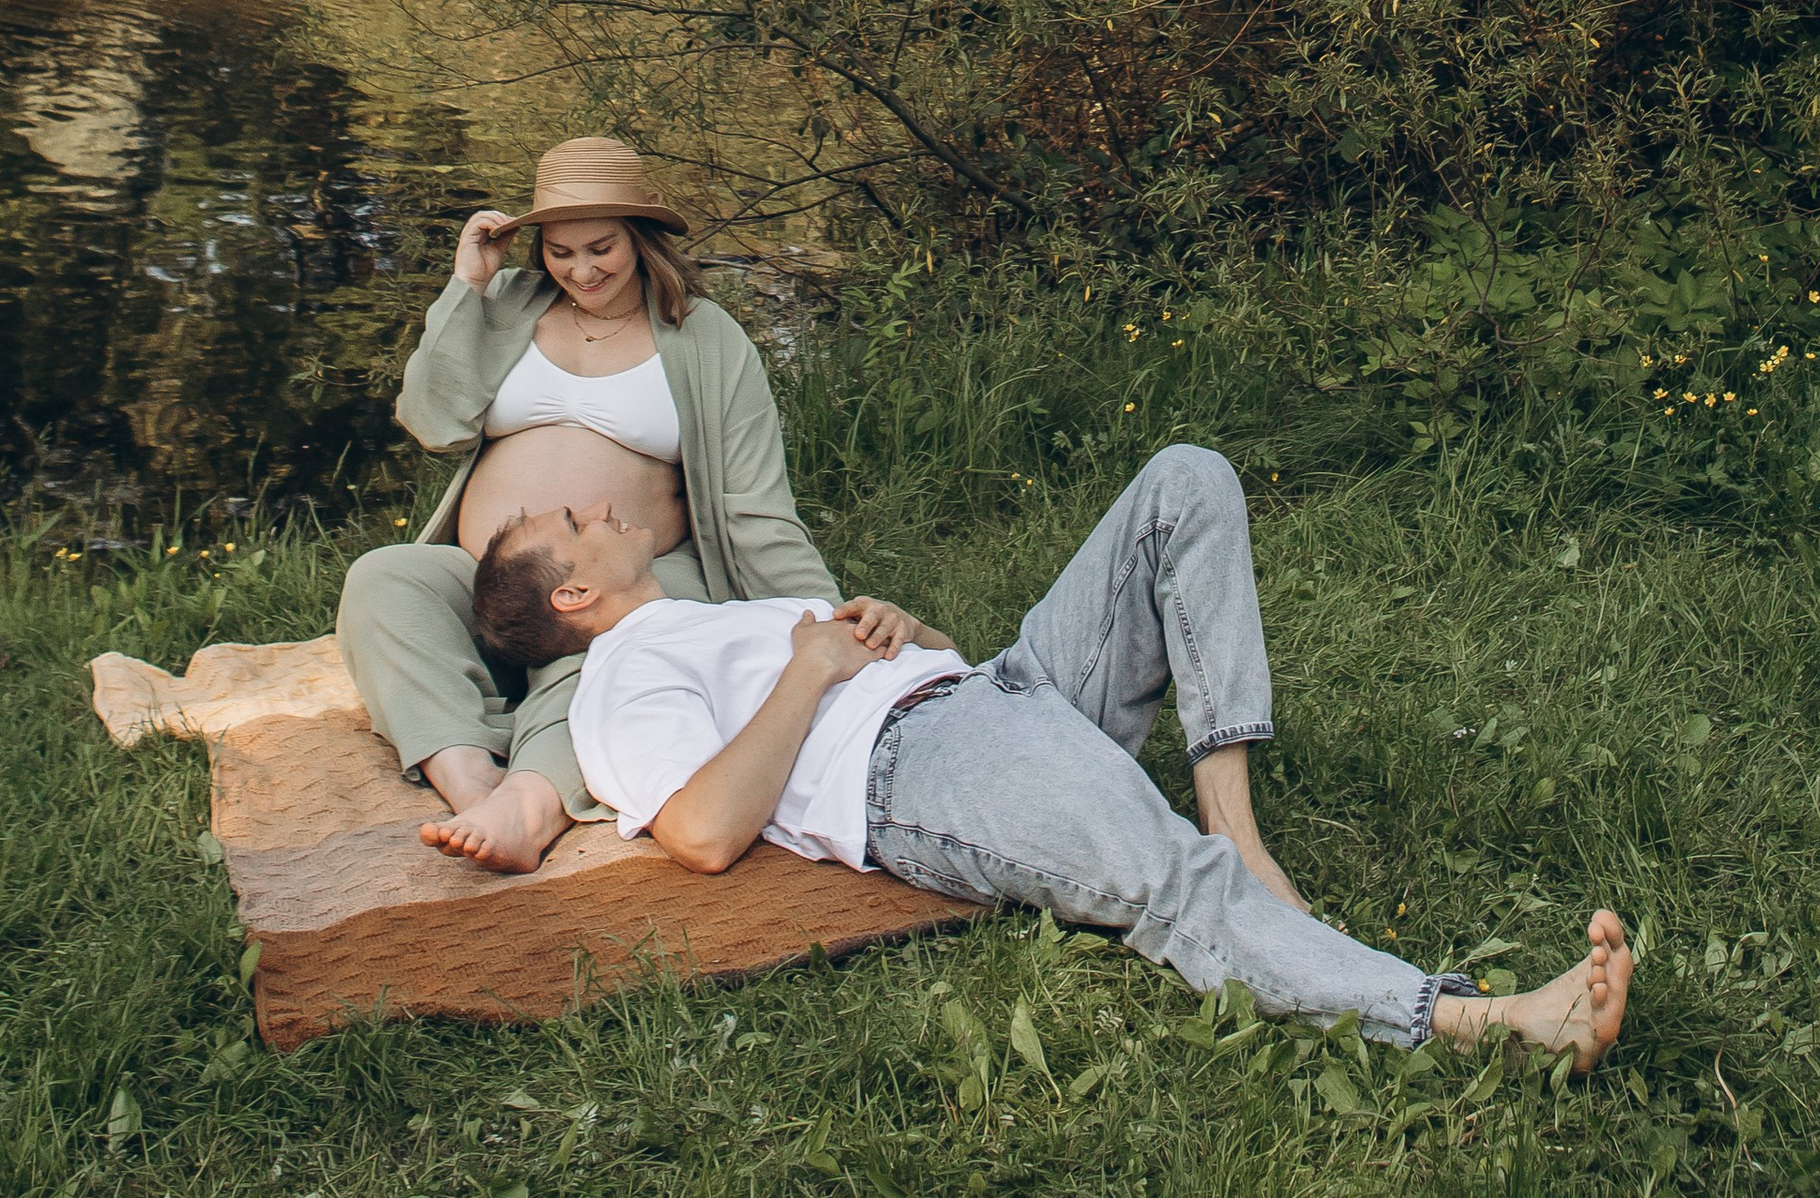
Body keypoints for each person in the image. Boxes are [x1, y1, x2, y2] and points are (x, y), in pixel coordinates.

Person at [475, 441, 1632, 1063]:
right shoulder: (619, 683)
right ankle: (1485, 1019)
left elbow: (900, 668)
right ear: (573, 592)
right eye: (573, 523)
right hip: (917, 769)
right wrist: (813, 668)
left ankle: (1239, 828)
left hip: (994, 688)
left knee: (1186, 479)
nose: (601, 506)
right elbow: (703, 829)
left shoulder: (694, 616)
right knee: (1162, 881)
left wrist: (905, 635)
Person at [335, 136, 837, 874]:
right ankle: (469, 775)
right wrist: (466, 286)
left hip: (638, 575)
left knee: (612, 649)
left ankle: (531, 803)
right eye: (561, 253)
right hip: (495, 576)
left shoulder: (705, 338)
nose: (582, 270)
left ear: (639, 237)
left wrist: (822, 616)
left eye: (600, 247)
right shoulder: (508, 304)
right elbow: (433, 419)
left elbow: (751, 504)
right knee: (382, 580)